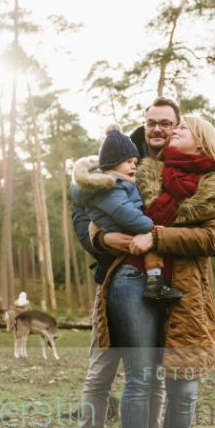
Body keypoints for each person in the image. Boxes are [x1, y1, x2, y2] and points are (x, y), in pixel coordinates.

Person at [90, 114, 215, 428]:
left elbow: (214, 236)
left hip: (186, 292)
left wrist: (156, 235)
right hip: (132, 281)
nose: (172, 133)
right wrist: (104, 236)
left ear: (202, 142)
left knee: (184, 387)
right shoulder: (142, 171)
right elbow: (97, 210)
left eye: (181, 129)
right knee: (140, 378)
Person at [70, 97, 181, 428]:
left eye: (167, 123)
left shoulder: (186, 163)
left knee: (150, 378)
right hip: (113, 278)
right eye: (153, 122)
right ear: (146, 125)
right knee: (100, 372)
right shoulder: (119, 157)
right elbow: (82, 209)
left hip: (163, 282)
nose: (159, 130)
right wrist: (100, 238)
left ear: (177, 126)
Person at [71, 125, 182, 302]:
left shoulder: (116, 183)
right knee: (152, 248)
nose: (134, 167)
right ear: (112, 163)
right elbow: (124, 212)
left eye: (135, 163)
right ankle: (155, 284)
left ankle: (155, 282)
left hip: (128, 230)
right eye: (128, 162)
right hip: (125, 235)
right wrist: (150, 227)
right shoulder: (109, 187)